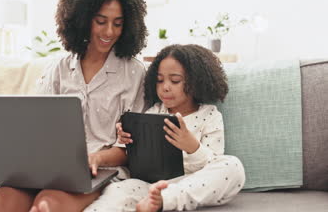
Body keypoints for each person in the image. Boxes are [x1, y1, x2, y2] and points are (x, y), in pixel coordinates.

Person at [0, 0, 148, 212]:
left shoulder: (134, 73)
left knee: (47, 206)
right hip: (49, 166)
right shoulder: (59, 68)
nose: (109, 31)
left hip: (101, 169)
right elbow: (34, 124)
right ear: (83, 20)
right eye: (101, 21)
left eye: (118, 23)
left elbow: (134, 148)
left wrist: (97, 158)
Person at [85, 44, 245, 211]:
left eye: (175, 80)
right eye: (160, 80)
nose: (165, 87)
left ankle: (163, 200)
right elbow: (130, 156)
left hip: (189, 184)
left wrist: (192, 146)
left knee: (232, 166)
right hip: (148, 185)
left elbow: (213, 165)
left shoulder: (210, 116)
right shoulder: (154, 112)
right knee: (116, 190)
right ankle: (153, 200)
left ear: (196, 82)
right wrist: (125, 140)